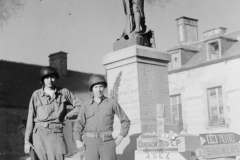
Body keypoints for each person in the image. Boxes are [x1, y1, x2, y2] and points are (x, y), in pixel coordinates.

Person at [24, 66, 82, 160]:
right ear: (42, 79)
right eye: (46, 77)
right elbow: (30, 118)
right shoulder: (36, 95)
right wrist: (27, 141)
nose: (50, 80)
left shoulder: (64, 92)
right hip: (39, 133)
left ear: (56, 78)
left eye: (52, 77)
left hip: (56, 132)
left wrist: (67, 116)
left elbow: (80, 106)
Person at [73, 75, 130, 160]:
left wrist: (120, 138)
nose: (99, 90)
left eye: (101, 87)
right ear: (92, 89)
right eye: (96, 87)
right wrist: (78, 140)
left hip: (107, 142)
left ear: (104, 88)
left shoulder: (112, 103)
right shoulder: (86, 105)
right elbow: (78, 124)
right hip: (90, 143)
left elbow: (125, 120)